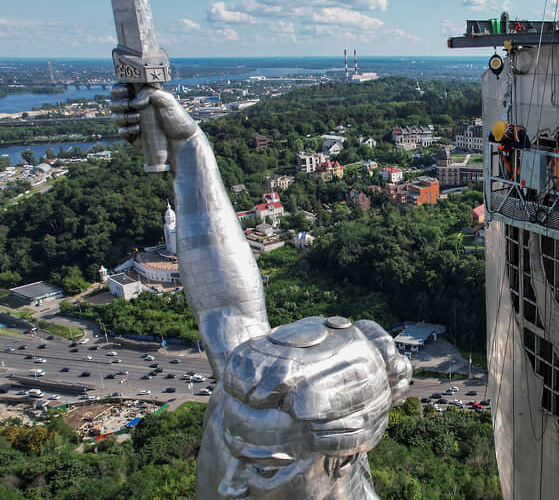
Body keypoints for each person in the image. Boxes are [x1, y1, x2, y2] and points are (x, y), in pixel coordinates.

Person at [110, 84, 411, 500]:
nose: (228, 486)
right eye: (231, 454)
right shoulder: (250, 412)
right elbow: (224, 303)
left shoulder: (272, 428)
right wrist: (188, 150)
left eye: (264, 469)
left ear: (341, 460)